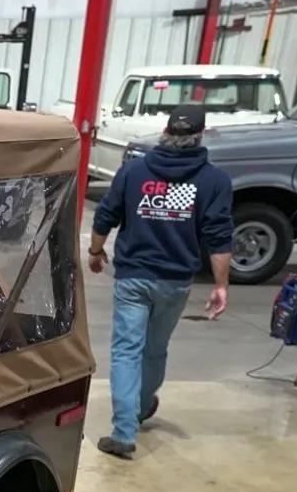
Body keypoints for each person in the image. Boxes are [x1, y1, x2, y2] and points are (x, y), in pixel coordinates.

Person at [88, 104, 234, 459]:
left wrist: (95, 250)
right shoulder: (214, 181)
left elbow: (107, 213)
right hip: (175, 281)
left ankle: (124, 431)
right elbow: (219, 236)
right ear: (202, 135)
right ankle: (138, 408)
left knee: (126, 351)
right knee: (154, 349)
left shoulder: (134, 171)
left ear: (166, 131)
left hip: (134, 277)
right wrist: (220, 285)